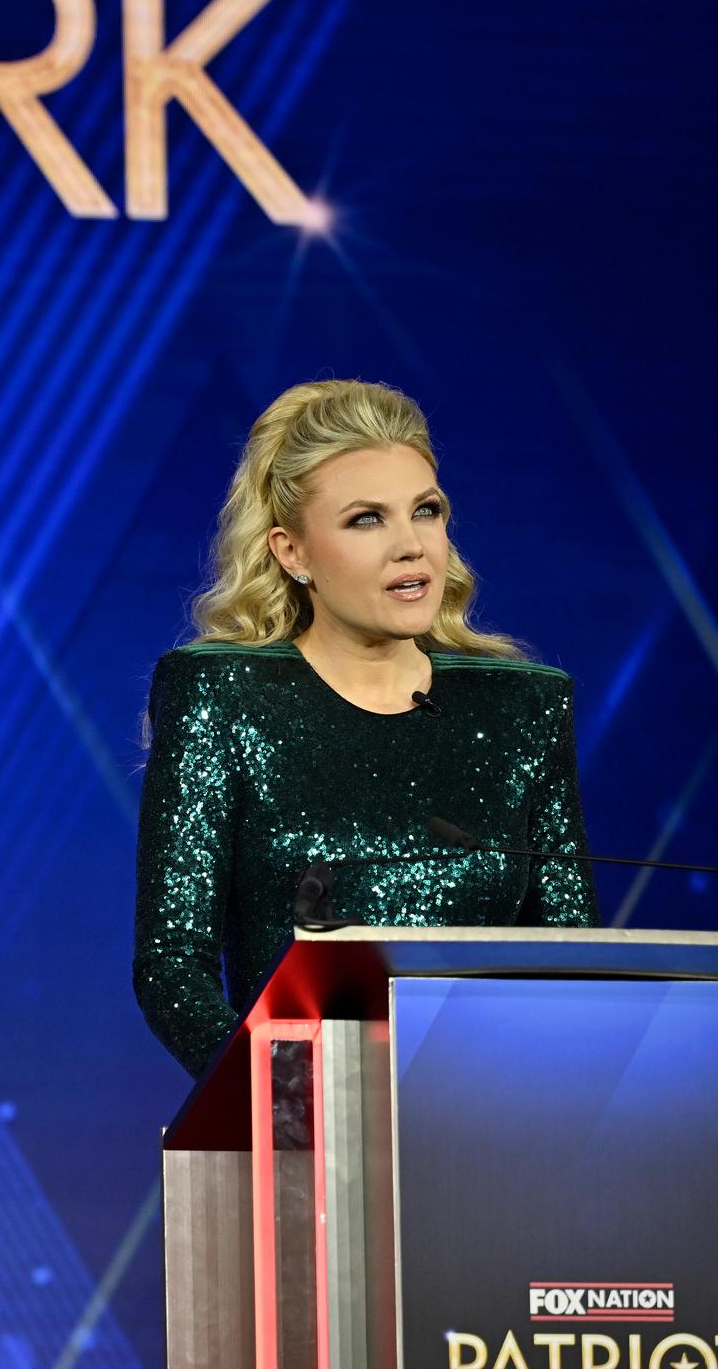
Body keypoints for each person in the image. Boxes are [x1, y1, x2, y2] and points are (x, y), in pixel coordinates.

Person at [132, 379, 598, 1075]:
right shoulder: (223, 697)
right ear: (292, 553)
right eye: (366, 520)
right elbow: (172, 970)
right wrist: (284, 1096)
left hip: (502, 1127)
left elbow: (573, 964)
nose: (411, 546)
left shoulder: (519, 710)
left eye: (427, 511)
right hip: (302, 1136)